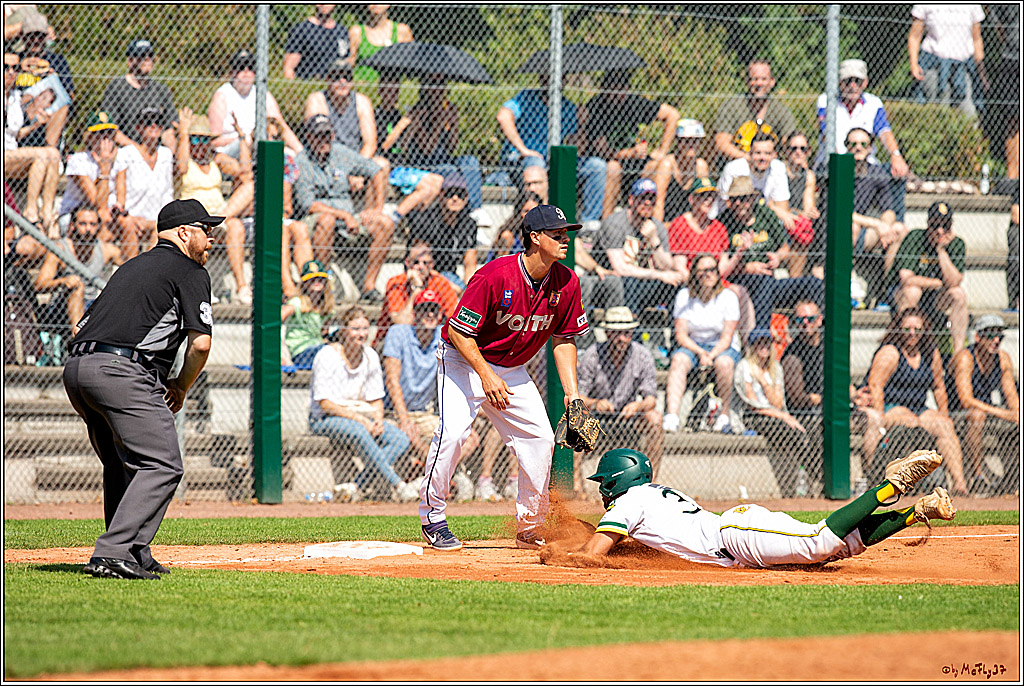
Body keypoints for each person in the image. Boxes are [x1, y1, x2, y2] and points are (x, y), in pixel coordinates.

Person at [417, 204, 590, 551]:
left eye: (566, 233)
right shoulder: (494, 275)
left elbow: (564, 338)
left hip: (511, 368)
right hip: (463, 359)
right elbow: (460, 332)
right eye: (557, 234)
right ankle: (432, 516)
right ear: (535, 238)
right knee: (453, 434)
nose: (564, 239)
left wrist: (572, 396)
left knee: (540, 438)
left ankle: (530, 525)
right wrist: (486, 376)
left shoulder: (567, 282)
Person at [63, 198, 219, 580]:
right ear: (184, 233)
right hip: (122, 372)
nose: (211, 239)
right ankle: (113, 552)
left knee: (122, 464)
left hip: (78, 370)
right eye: (206, 230)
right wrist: (180, 386)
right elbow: (200, 344)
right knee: (162, 463)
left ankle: (133, 550)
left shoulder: (128, 267)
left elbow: (79, 328)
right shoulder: (189, 270)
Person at [571, 447, 956, 569]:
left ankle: (890, 486)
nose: (603, 491)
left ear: (614, 483)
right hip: (737, 538)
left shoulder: (629, 500)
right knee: (836, 550)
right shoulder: (651, 494)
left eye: (604, 483)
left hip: (736, 536)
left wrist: (553, 553)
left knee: (819, 540)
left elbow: (594, 554)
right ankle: (916, 511)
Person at [309, 305, 416, 503]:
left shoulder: (370, 355)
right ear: (343, 330)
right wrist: (361, 420)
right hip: (325, 418)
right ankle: (399, 485)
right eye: (355, 329)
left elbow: (376, 399)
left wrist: (378, 420)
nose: (362, 334)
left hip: (360, 416)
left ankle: (354, 485)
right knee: (359, 431)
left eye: (365, 329)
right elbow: (325, 404)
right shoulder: (326, 355)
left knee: (400, 439)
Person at [863, 307, 968, 495]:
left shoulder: (930, 353)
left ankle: (960, 484)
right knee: (911, 422)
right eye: (907, 329)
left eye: (917, 330)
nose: (912, 334)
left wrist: (943, 413)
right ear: (898, 329)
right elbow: (875, 384)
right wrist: (880, 417)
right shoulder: (891, 352)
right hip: (892, 406)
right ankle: (904, 483)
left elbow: (938, 386)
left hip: (920, 407)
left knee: (944, 425)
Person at [293, 113, 394, 302]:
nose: (323, 140)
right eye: (318, 136)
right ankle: (321, 284)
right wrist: (343, 215)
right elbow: (309, 205)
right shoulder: (301, 162)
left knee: (385, 223)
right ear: (308, 137)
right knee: (327, 220)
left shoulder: (341, 153)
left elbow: (377, 171)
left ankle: (369, 287)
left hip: (348, 217)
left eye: (327, 135)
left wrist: (376, 208)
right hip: (317, 219)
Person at [382, 289, 480, 474]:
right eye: (424, 309)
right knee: (411, 435)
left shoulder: (443, 336)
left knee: (471, 438)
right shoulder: (398, 333)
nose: (429, 314)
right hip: (394, 413)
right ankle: (438, 476)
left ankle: (433, 475)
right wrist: (403, 419)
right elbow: (392, 381)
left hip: (424, 414)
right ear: (414, 314)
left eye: (433, 310)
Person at [496, 73, 605, 228]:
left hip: (553, 163)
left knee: (596, 166)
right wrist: (524, 150)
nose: (554, 82)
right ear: (542, 79)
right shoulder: (525, 98)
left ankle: (589, 225)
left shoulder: (568, 107)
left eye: (560, 78)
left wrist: (582, 124)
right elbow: (503, 117)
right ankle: (540, 219)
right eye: (548, 77)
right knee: (536, 163)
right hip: (523, 160)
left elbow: (578, 149)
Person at [717, 176, 823, 331]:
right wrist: (747, 268)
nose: (740, 204)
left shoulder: (765, 215)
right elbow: (722, 267)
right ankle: (761, 338)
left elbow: (784, 248)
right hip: (738, 281)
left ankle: (818, 333)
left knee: (814, 283)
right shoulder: (724, 221)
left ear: (753, 198)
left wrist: (777, 257)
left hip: (769, 283)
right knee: (762, 280)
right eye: (735, 199)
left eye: (744, 198)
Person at [175, 107, 254, 303]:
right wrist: (184, 133)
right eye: (195, 139)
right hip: (192, 218)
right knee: (204, 230)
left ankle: (242, 287)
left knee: (237, 219)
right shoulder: (185, 162)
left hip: (219, 214)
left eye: (204, 140)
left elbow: (244, 170)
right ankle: (200, 286)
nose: (200, 145)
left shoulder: (216, 160)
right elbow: (181, 166)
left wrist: (242, 138)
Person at [814, 59, 909, 221]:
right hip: (835, 165)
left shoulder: (874, 103)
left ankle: (895, 226)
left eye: (857, 81)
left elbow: (884, 132)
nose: (852, 86)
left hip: (867, 167)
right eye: (847, 81)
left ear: (865, 83)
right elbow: (827, 134)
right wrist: (844, 162)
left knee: (897, 172)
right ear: (839, 82)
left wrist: (896, 156)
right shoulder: (826, 100)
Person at [579, 68, 680, 220]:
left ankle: (650, 222)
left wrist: (661, 151)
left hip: (637, 162)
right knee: (614, 168)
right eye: (613, 88)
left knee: (659, 166)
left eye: (622, 87)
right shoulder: (597, 106)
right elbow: (603, 151)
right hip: (612, 162)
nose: (619, 93)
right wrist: (631, 153)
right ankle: (608, 225)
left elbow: (672, 114)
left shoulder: (634, 102)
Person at [577, 307, 663, 478]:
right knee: (575, 421)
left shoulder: (642, 355)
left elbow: (651, 398)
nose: (622, 338)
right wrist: (595, 403)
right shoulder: (592, 355)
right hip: (596, 418)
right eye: (617, 333)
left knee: (655, 419)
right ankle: (576, 490)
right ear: (607, 333)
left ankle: (650, 481)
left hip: (629, 416)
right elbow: (578, 397)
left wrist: (639, 405)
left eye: (627, 333)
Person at [733, 327, 817, 497]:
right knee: (796, 434)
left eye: (766, 342)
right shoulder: (745, 367)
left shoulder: (775, 368)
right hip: (753, 417)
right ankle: (809, 477)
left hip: (777, 415)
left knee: (813, 429)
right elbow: (753, 405)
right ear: (752, 346)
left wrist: (764, 381)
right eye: (759, 343)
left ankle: (811, 477)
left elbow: (778, 403)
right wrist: (784, 416)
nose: (763, 347)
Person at [663, 253, 741, 435]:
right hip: (693, 345)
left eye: (713, 269)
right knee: (678, 360)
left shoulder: (728, 297)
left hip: (722, 347)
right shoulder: (684, 296)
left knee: (724, 363)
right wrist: (700, 353)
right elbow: (681, 335)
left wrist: (711, 355)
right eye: (704, 270)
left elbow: (727, 337)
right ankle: (672, 416)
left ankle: (724, 415)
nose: (709, 274)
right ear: (695, 274)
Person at [883, 201, 968, 354]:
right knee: (913, 291)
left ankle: (958, 354)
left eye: (945, 225)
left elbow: (955, 282)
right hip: (901, 293)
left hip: (935, 298)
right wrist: (939, 283)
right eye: (935, 225)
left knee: (959, 295)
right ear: (928, 224)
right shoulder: (915, 238)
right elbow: (907, 279)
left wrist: (941, 251)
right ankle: (905, 349)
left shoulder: (956, 244)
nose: (940, 231)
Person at [588, 178, 683, 315]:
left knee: (675, 283)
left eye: (651, 198)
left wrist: (654, 240)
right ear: (631, 200)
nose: (647, 203)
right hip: (611, 283)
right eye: (643, 198)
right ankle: (631, 334)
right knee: (629, 282)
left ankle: (674, 334)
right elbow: (620, 268)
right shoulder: (615, 223)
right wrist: (659, 275)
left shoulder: (657, 227)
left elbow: (667, 266)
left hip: (644, 282)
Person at [948, 314, 1019, 495]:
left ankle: (1013, 480)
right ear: (978, 337)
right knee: (976, 415)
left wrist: (1016, 413)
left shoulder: (1003, 359)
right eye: (990, 335)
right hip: (957, 414)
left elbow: (1012, 398)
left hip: (988, 411)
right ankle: (977, 477)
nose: (995, 340)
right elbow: (966, 401)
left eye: (999, 336)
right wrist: (1003, 414)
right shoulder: (966, 358)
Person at [34, 205, 121, 337]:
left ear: (98, 226)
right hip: (61, 309)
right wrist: (63, 281)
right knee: (77, 285)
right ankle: (78, 341)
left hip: (93, 306)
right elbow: (40, 284)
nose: (88, 229)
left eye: (92, 224)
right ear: (72, 225)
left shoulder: (105, 249)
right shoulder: (60, 249)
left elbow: (133, 266)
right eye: (82, 224)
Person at [208, 49, 304, 158]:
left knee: (289, 154)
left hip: (258, 145)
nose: (246, 72)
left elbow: (280, 125)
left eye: (251, 67)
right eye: (240, 67)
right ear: (232, 72)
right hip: (229, 151)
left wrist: (300, 152)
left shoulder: (262, 94)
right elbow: (214, 142)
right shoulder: (222, 96)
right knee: (250, 142)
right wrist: (244, 139)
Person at [4, 46, 59, 233]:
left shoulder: (15, 96)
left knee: (52, 154)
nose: (11, 72)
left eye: (15, 68)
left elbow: (15, 134)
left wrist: (35, 125)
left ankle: (47, 212)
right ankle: (30, 210)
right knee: (42, 155)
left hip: (11, 154)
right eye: (5, 67)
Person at [111, 106, 175, 259]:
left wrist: (158, 221)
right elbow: (116, 191)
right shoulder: (126, 153)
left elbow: (168, 193)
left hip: (156, 220)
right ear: (138, 128)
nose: (153, 126)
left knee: (160, 229)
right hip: (132, 219)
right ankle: (133, 275)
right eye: (147, 122)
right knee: (128, 226)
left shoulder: (166, 155)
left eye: (158, 122)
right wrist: (129, 217)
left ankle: (148, 275)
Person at [374, 240, 458, 347]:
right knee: (397, 332)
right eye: (416, 262)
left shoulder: (439, 282)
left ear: (432, 264)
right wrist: (417, 289)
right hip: (396, 342)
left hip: (429, 340)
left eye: (425, 263)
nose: (421, 267)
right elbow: (401, 323)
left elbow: (454, 317)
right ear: (407, 263)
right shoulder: (396, 283)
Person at [908, 4, 987, 115]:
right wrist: (914, 65)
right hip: (934, 66)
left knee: (968, 111)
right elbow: (914, 36)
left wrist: (981, 72)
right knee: (937, 111)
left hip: (963, 68)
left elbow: (977, 39)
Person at [712, 59, 797, 163]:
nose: (759, 83)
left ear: (772, 82)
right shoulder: (732, 106)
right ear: (747, 81)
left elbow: (790, 143)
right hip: (738, 165)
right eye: (755, 79)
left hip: (769, 167)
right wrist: (749, 159)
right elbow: (721, 143)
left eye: (763, 79)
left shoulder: (781, 111)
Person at [100, 39, 176, 150]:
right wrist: (139, 150)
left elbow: (169, 129)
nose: (147, 59)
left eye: (150, 55)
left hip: (155, 151)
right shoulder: (117, 88)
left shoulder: (161, 90)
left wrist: (170, 152)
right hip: (127, 151)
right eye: (141, 55)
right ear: (130, 61)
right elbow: (112, 130)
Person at [12, 10, 72, 150]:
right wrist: (19, 68)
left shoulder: (57, 61)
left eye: (39, 36)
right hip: (19, 120)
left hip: (46, 122)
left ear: (45, 37)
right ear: (23, 37)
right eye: (31, 36)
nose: (35, 41)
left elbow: (69, 97)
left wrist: (52, 77)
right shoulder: (14, 61)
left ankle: (50, 150)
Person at [406, 174, 478, 290]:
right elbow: (419, 262)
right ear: (441, 196)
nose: (455, 198)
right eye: (450, 194)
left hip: (449, 275)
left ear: (466, 199)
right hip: (423, 274)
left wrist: (470, 290)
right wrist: (447, 285)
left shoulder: (469, 224)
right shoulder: (426, 221)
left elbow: (470, 263)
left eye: (460, 195)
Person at [57, 111, 120, 235]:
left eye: (109, 134)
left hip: (106, 214)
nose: (105, 139)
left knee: (125, 222)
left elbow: (121, 197)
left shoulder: (120, 158)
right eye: (99, 134)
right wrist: (104, 168)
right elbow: (97, 204)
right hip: (74, 215)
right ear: (89, 137)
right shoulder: (78, 160)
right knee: (102, 219)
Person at [653, 118, 710, 224]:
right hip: (667, 223)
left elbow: (703, 202)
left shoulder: (701, 166)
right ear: (678, 142)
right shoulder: (667, 164)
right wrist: (660, 231)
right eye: (687, 141)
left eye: (696, 140)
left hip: (690, 226)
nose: (691, 145)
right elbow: (658, 203)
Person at [281, 260, 335, 368]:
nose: (316, 282)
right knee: (330, 351)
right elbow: (277, 318)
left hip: (319, 346)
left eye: (320, 279)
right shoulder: (298, 302)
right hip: (301, 351)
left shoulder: (326, 307)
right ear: (304, 283)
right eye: (311, 279)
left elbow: (324, 333)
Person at [781, 131, 819, 277]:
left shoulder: (808, 175)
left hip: (795, 219)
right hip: (779, 217)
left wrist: (811, 211)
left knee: (804, 227)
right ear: (786, 151)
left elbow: (807, 205)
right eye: (794, 148)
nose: (798, 152)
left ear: (808, 152)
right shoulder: (779, 170)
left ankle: (795, 280)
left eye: (802, 149)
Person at [283, 4, 350, 80]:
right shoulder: (302, 29)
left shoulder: (341, 31)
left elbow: (346, 61)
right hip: (308, 82)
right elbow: (289, 68)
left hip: (334, 85)